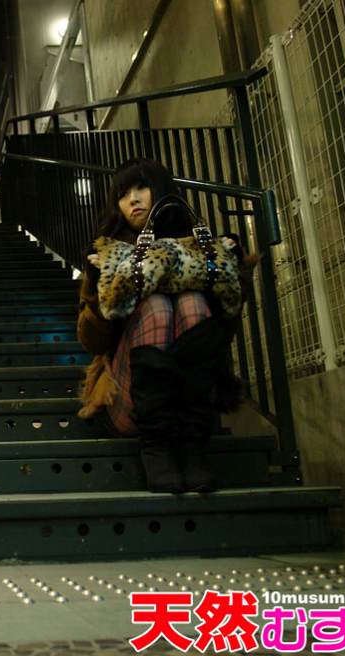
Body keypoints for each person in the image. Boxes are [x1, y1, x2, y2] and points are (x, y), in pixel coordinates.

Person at [77, 158, 247, 494]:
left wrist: (231, 273)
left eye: (141, 187)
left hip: (192, 411)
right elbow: (91, 342)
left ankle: (192, 449)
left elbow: (223, 333)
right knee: (155, 306)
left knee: (191, 301)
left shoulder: (200, 250)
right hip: (130, 404)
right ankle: (157, 449)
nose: (133, 199)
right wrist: (97, 290)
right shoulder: (109, 252)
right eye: (123, 194)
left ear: (162, 189)